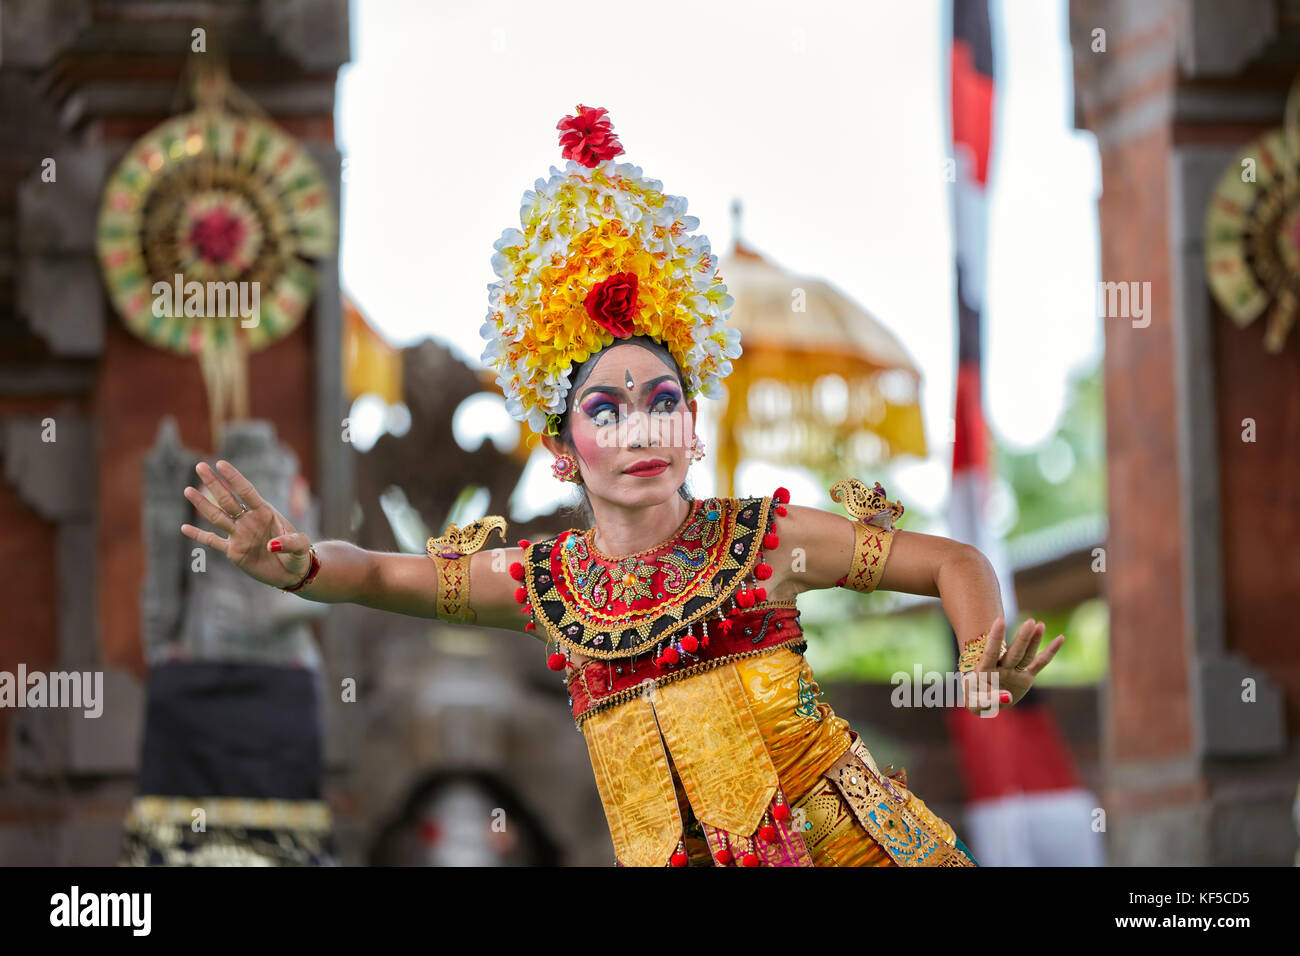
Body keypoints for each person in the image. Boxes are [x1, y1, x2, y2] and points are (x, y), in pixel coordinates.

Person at [180, 105, 1064, 867]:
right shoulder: (549, 586)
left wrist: (983, 652)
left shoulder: (767, 541)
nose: (640, 428)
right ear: (565, 448)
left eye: (664, 402)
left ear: (689, 429)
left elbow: (954, 561)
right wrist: (295, 566)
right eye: (606, 409)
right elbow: (377, 574)